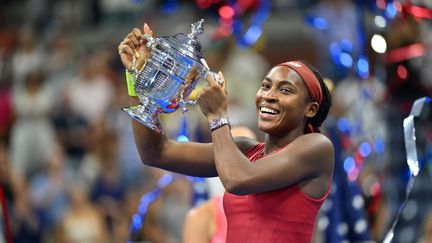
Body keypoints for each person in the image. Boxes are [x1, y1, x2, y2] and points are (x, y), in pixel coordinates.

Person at [118, 23, 334, 243]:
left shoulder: (317, 147)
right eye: (266, 86)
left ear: (311, 109)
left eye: (285, 90)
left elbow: (237, 180)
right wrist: (139, 79)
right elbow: (155, 152)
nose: (269, 95)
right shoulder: (242, 151)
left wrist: (217, 116)